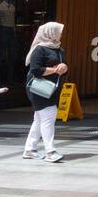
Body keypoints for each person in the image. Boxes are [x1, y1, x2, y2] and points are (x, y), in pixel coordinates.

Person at [22, 21, 67, 162]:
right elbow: (35, 69)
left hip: (51, 88)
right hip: (38, 89)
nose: (61, 34)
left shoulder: (58, 49)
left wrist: (64, 67)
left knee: (39, 119)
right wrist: (55, 70)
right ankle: (50, 151)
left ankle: (30, 149)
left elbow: (63, 67)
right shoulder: (40, 49)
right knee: (49, 116)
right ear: (50, 32)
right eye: (59, 31)